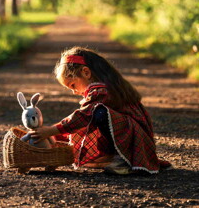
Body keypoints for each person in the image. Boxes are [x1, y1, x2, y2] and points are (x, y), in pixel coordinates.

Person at [30, 46, 172, 175]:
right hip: (127, 132)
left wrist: (53, 130)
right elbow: (81, 123)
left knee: (98, 112)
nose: (74, 92)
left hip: (133, 135)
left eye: (73, 85)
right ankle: (111, 154)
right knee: (93, 117)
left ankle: (122, 159)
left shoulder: (101, 91)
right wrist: (55, 136)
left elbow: (83, 116)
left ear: (86, 72)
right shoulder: (105, 87)